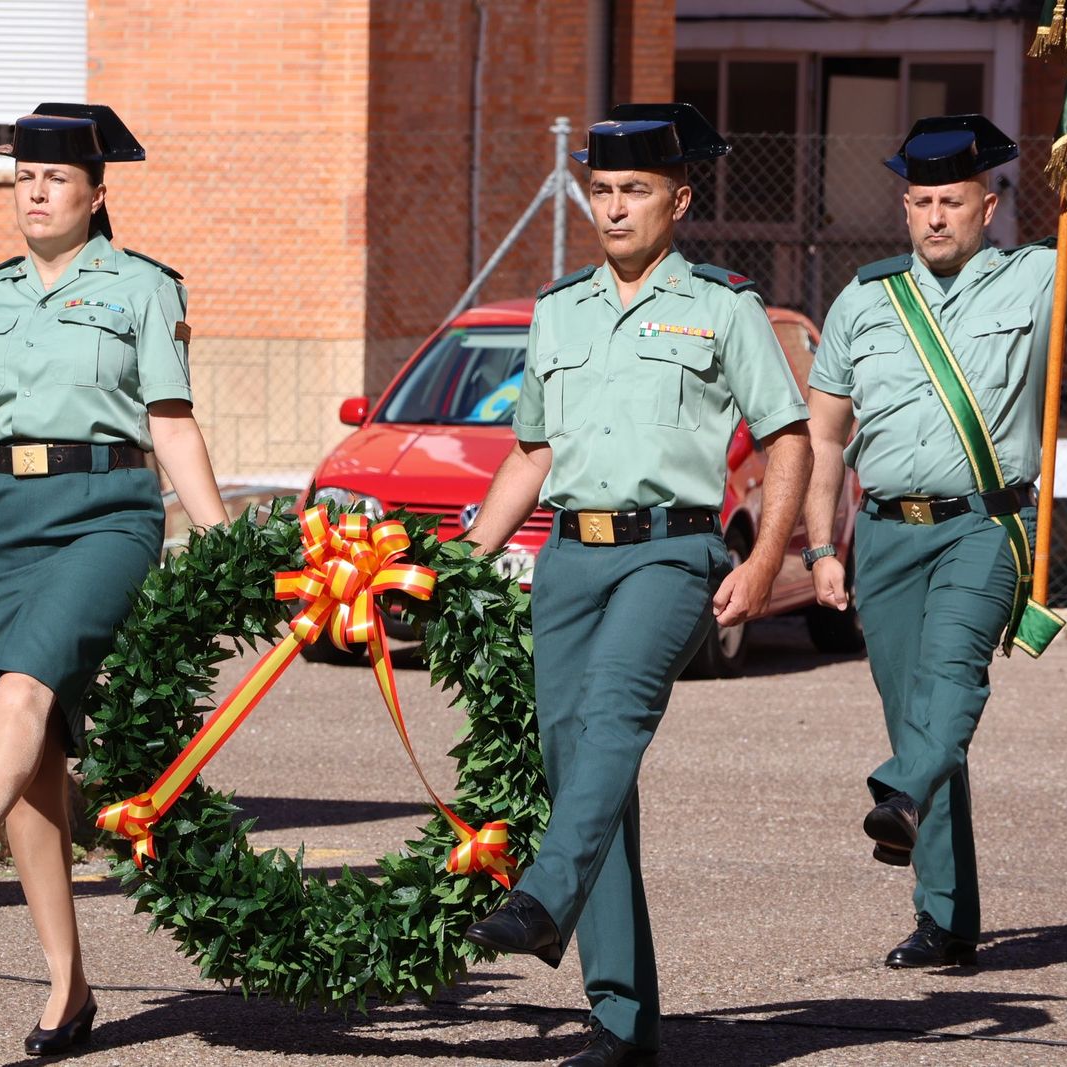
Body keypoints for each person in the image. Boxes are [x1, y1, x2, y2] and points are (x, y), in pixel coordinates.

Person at [459, 103, 812, 1067]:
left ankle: (542, 898)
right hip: (569, 556)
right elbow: (532, 452)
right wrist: (466, 555)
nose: (614, 208)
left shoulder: (723, 305)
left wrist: (764, 559)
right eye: (602, 190)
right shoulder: (559, 309)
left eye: (636, 191)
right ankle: (622, 1023)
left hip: (672, 552)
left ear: (678, 201)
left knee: (612, 714)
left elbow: (786, 438)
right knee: (581, 767)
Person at [0, 104, 228, 1058]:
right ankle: (68, 989)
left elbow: (170, 421)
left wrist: (221, 538)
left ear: (96, 193)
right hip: (2, 526)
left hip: (105, 514)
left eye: (56, 179)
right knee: (33, 762)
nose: (35, 193)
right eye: (24, 178)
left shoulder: (143, 287)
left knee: (22, 691)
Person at [804, 114, 1067, 969]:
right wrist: (822, 547)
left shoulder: (1040, 274)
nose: (936, 217)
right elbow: (824, 436)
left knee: (950, 679)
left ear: (987, 207)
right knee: (916, 718)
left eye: (953, 202)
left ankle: (899, 793)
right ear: (906, 207)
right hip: (886, 536)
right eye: (922, 202)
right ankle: (946, 918)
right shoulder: (864, 299)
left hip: (986, 524)